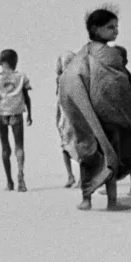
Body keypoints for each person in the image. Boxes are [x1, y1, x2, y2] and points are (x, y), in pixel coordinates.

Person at [58, 7, 131, 211]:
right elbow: (118, 84)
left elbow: (70, 83)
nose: (116, 31)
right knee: (109, 157)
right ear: (96, 29)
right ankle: (112, 202)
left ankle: (86, 199)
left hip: (89, 119)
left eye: (116, 27)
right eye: (111, 27)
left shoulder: (83, 55)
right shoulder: (108, 55)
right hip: (108, 118)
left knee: (89, 155)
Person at [0, 49, 32, 192]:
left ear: (2, 62)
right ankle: (21, 175)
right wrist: (29, 114)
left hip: (2, 114)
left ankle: (9, 182)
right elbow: (27, 97)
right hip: (16, 114)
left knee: (5, 148)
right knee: (19, 146)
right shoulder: (21, 77)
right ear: (14, 61)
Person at [55, 51, 79, 188]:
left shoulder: (66, 79)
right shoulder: (75, 77)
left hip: (69, 117)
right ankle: (73, 176)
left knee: (67, 147)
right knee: (71, 146)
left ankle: (72, 176)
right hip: (70, 117)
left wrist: (58, 118)